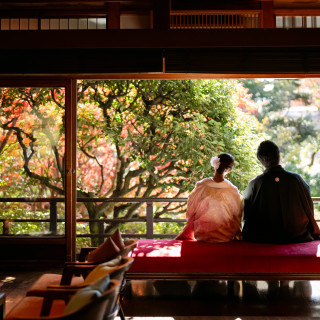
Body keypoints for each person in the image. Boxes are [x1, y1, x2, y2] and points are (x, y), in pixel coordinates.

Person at [242, 140, 320, 243]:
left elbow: (246, 213)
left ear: (260, 161)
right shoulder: (297, 179)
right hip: (298, 236)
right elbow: (308, 207)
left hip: (263, 237)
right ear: (279, 156)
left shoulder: (255, 184)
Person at [176, 153, 243, 243]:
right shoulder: (232, 190)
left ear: (215, 165)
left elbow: (190, 210)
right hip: (225, 236)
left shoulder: (202, 185)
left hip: (202, 235)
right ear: (230, 170)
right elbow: (237, 216)